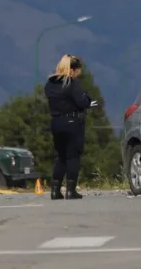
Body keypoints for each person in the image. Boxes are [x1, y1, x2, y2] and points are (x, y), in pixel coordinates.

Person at [44, 54, 95, 200]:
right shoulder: (71, 83)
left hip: (56, 121)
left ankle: (55, 189)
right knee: (73, 156)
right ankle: (71, 190)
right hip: (72, 122)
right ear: (72, 70)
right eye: (77, 71)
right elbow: (83, 102)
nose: (78, 74)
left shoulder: (50, 83)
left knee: (60, 156)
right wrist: (86, 98)